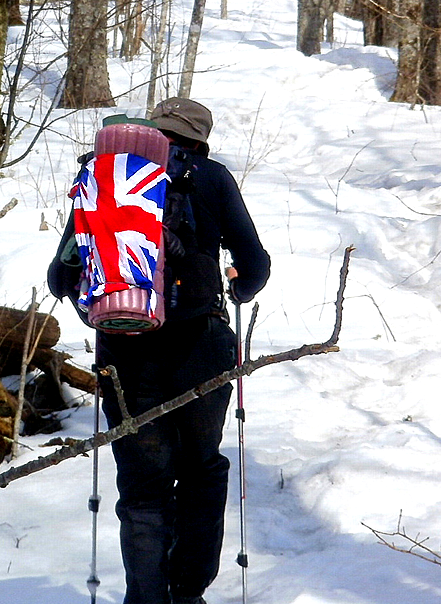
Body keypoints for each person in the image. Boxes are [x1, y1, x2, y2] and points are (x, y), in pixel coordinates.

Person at [48, 97, 270, 604]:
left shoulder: (107, 180)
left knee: (145, 488)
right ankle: (188, 593)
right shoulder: (211, 178)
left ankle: (146, 600)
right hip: (201, 346)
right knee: (201, 470)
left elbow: (59, 276)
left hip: (126, 355)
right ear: (199, 139)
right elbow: (254, 265)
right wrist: (233, 283)